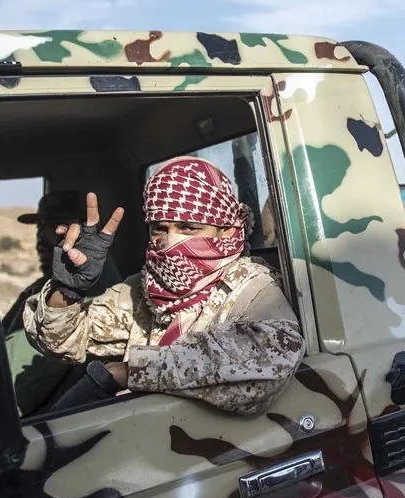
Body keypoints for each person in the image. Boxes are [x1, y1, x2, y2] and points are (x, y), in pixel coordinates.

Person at [22, 157, 305, 416]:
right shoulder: (143, 291)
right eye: (160, 228)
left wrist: (129, 372)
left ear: (227, 230)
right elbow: (61, 341)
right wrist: (68, 291)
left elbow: (269, 362)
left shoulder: (251, 287)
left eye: (189, 228)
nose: (170, 243)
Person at [2, 190, 121, 416]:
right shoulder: (48, 285)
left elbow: (16, 391)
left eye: (53, 226)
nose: (41, 237)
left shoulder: (85, 291)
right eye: (40, 227)